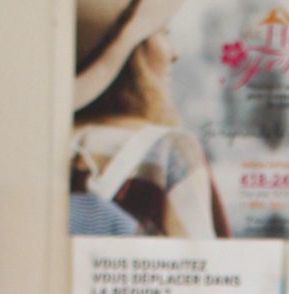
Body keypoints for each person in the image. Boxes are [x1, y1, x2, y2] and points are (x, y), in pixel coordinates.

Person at [70, 1, 230, 238]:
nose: (174, 54)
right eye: (163, 32)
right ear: (134, 54)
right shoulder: (170, 151)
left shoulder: (53, 146)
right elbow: (202, 257)